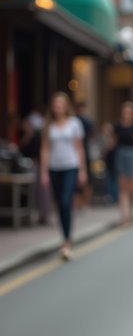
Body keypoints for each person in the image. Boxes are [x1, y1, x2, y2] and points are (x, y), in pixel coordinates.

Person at [40, 92, 87, 260]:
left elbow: (79, 148)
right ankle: (64, 237)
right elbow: (45, 149)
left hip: (70, 166)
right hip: (54, 168)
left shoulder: (75, 124)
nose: (58, 107)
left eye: (61, 104)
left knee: (67, 201)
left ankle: (67, 241)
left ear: (66, 106)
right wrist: (43, 172)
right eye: (55, 104)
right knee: (60, 204)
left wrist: (82, 170)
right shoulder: (49, 125)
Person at [75, 102, 94, 208]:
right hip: (81, 152)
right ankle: (81, 202)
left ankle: (83, 202)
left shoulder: (85, 121)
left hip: (83, 152)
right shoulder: (76, 121)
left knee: (86, 178)